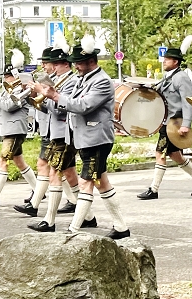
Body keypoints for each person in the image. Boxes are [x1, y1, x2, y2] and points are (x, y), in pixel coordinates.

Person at [33, 35, 130, 238]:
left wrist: (55, 95)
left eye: (78, 62)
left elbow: (83, 106)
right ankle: (121, 227)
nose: (75, 66)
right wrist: (50, 96)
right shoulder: (82, 78)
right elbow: (68, 104)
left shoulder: (102, 81)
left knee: (86, 182)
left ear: (90, 61)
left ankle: (73, 229)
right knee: (101, 182)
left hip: (96, 138)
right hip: (83, 137)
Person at [136, 37, 192, 200]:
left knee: (159, 153)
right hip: (167, 121)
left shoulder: (181, 77)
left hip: (175, 122)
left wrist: (186, 124)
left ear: (175, 62)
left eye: (167, 59)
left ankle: (153, 189)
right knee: (175, 155)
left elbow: (188, 101)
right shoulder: (168, 76)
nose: (164, 61)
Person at [28, 41, 82, 232]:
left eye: (56, 64)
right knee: (69, 174)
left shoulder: (71, 81)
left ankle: (49, 221)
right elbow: (49, 109)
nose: (53, 67)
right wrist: (37, 98)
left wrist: (46, 94)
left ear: (65, 64)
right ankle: (88, 216)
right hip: (55, 132)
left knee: (54, 173)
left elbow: (61, 109)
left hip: (65, 133)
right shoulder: (58, 80)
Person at [0, 50, 37, 208]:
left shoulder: (22, 89)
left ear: (15, 75)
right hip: (9, 129)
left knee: (3, 160)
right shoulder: (7, 89)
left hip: (15, 130)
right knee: (19, 162)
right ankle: (38, 191)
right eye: (4, 76)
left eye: (7, 76)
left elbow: (9, 106)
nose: (5, 78)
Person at [14, 47, 54, 216]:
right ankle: (81, 209)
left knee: (47, 167)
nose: (43, 66)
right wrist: (31, 94)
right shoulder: (46, 79)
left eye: (45, 63)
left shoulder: (55, 81)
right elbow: (40, 106)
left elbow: (56, 106)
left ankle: (35, 205)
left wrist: (40, 91)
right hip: (46, 128)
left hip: (56, 130)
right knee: (64, 172)